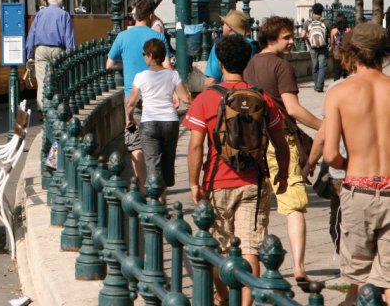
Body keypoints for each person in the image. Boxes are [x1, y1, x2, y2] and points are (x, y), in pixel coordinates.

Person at [185, 34, 290, 306]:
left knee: (219, 248)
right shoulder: (261, 97)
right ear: (247, 63)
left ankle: (222, 298)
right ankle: (245, 304)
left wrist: (194, 183)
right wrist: (283, 173)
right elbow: (280, 142)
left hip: (216, 183)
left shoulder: (206, 99)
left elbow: (196, 146)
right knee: (252, 248)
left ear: (220, 64)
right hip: (253, 183)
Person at [244, 16, 322, 285]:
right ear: (270, 39)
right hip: (280, 141)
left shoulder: (249, 64)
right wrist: (324, 126)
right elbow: (293, 110)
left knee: (259, 207)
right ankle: (299, 267)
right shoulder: (281, 66)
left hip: (253, 142)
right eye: (286, 37)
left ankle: (257, 267)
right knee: (294, 205)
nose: (292, 42)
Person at [323, 23, 390, 304]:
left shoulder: (339, 92)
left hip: (358, 188)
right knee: (388, 281)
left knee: (358, 281)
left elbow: (330, 155)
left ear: (351, 51)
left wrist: (351, 164)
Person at [107, 0, 171, 186]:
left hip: (132, 96)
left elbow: (109, 64)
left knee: (135, 142)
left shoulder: (122, 36)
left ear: (135, 16)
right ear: (151, 16)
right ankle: (157, 184)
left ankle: (142, 186)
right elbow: (166, 65)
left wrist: (124, 63)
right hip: (156, 95)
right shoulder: (156, 37)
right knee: (155, 139)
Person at [125, 37, 190, 194]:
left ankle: (158, 202)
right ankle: (163, 194)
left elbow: (131, 103)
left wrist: (131, 118)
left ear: (149, 55)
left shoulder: (141, 76)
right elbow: (186, 99)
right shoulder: (172, 75)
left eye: (144, 54)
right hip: (170, 122)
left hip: (149, 123)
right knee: (167, 161)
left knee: (153, 162)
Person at [25, 0, 75, 106]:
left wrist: (30, 54)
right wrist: (70, 56)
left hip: (41, 50)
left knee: (42, 81)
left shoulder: (40, 14)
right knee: (57, 80)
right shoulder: (65, 15)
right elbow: (69, 38)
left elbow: (31, 35)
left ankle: (44, 110)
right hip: (58, 51)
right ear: (60, 2)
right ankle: (57, 107)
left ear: (48, 2)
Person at [204, 10, 258, 87]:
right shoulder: (253, 45)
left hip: (227, 91)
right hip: (249, 90)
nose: (222, 26)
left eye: (224, 24)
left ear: (229, 27)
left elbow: (211, 79)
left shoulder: (221, 45)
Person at [302, 3, 329, 92]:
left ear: (313, 11)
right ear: (322, 12)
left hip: (312, 47)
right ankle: (319, 86)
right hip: (323, 46)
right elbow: (331, 32)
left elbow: (302, 35)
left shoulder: (308, 22)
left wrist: (309, 41)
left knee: (315, 66)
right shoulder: (325, 21)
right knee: (322, 66)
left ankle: (316, 84)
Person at [330, 15, 350, 81]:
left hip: (337, 53)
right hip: (346, 53)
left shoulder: (333, 31)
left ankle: (336, 85)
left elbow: (332, 43)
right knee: (346, 71)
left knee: (336, 71)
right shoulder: (348, 30)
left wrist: (333, 49)